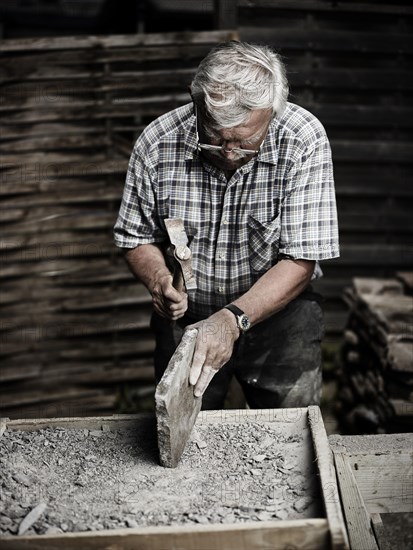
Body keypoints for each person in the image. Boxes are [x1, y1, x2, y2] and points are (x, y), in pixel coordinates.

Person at [114, 41, 339, 410]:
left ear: (272, 112)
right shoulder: (157, 143)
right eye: (216, 137)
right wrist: (158, 280)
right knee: (184, 433)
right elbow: (134, 236)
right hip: (188, 321)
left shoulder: (303, 139)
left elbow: (301, 260)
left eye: (245, 140)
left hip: (282, 320)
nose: (230, 152)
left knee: (290, 433)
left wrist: (232, 319)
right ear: (196, 103)